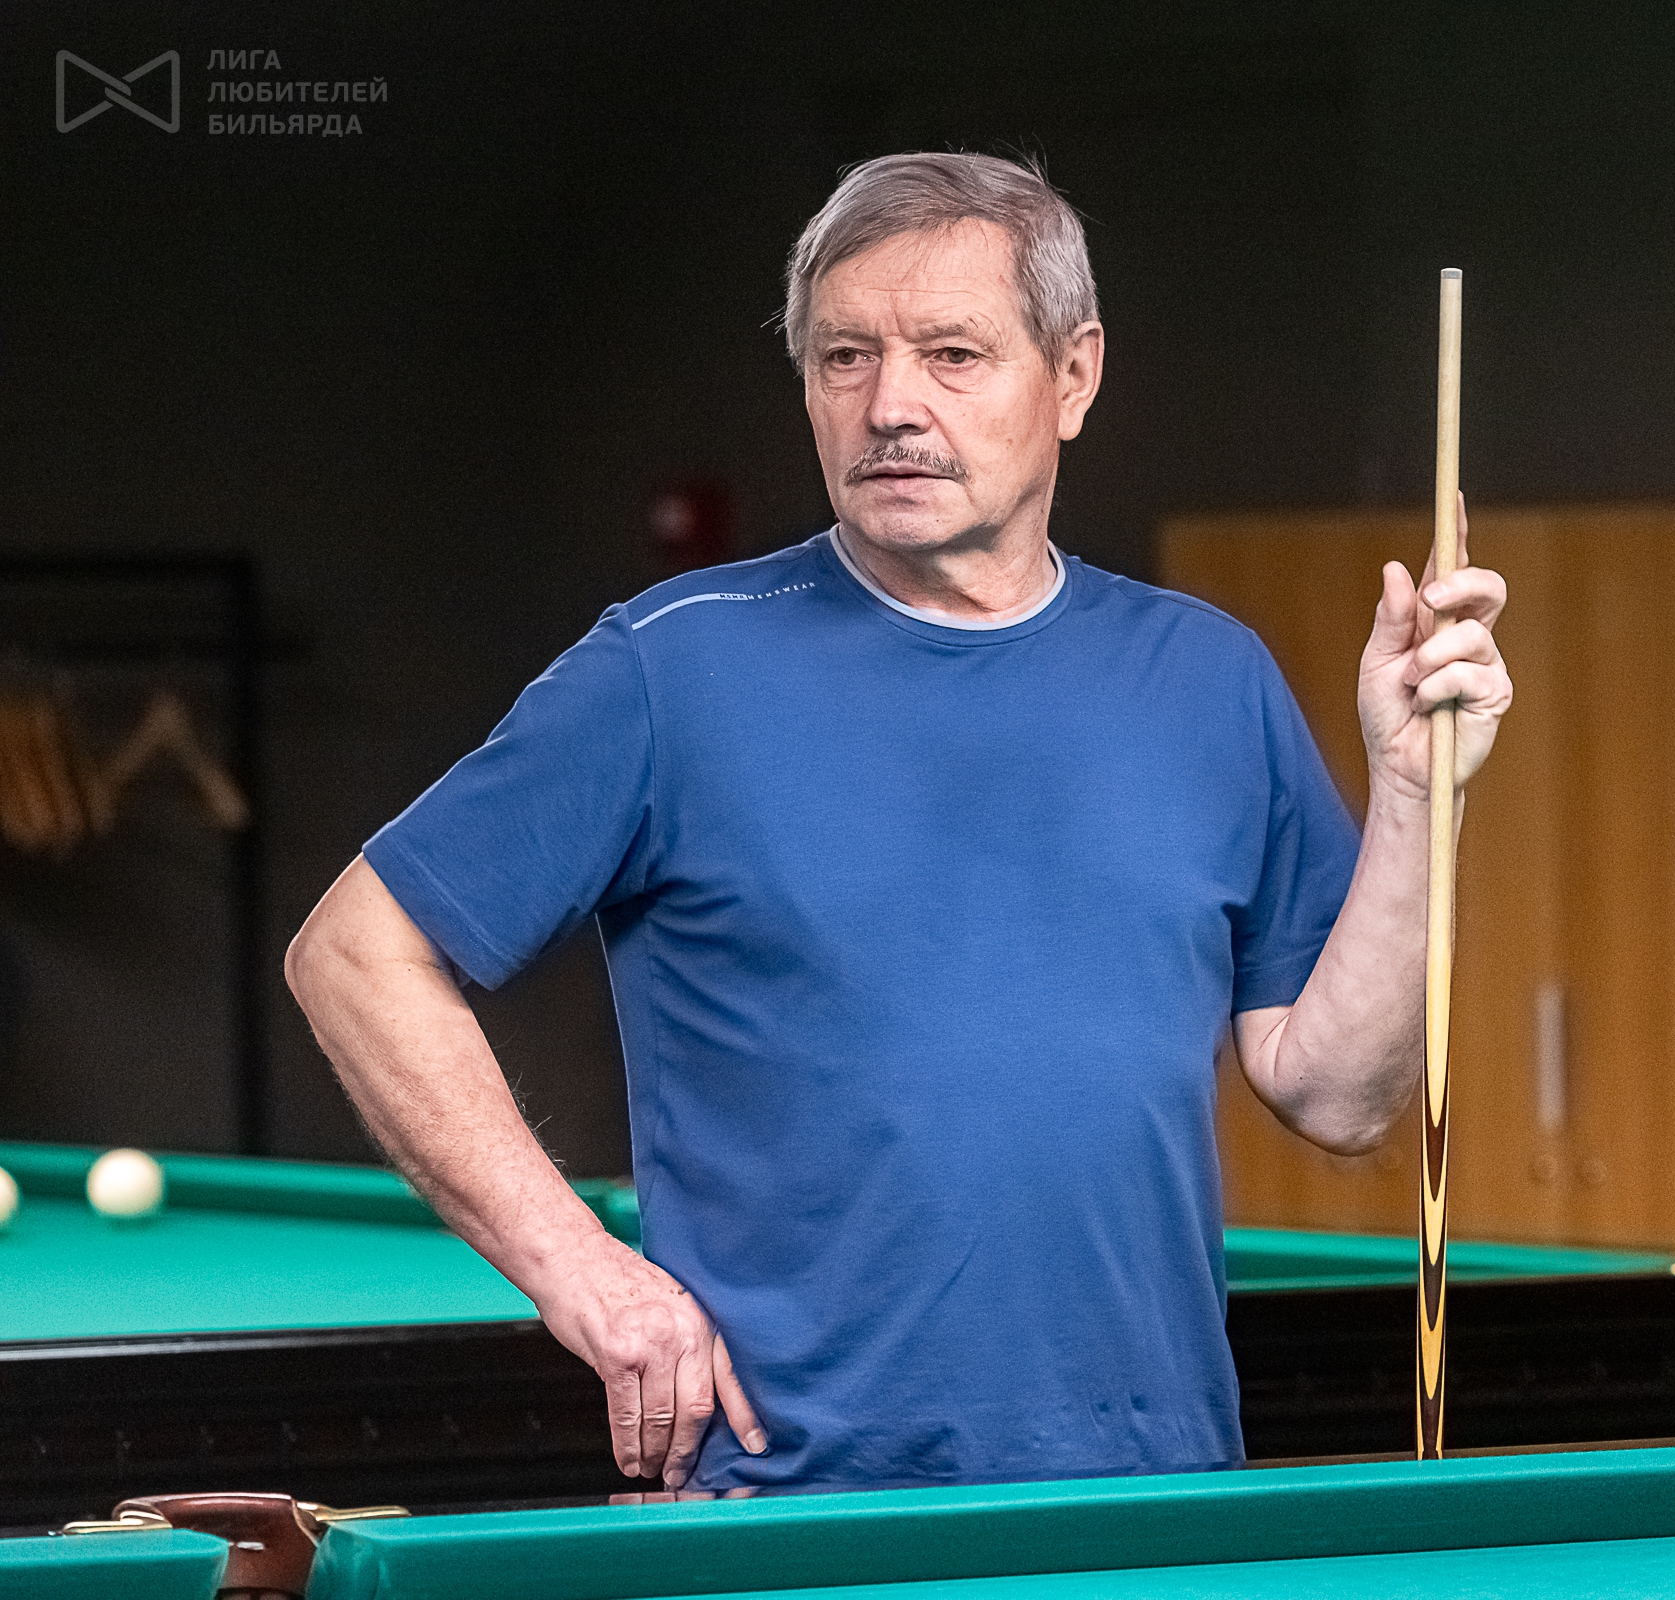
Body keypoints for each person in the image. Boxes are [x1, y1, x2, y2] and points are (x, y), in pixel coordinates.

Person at [284, 152, 1512, 1493]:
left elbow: (1339, 1095)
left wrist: (1414, 797)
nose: (890, 406)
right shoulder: (669, 670)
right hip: (793, 1510)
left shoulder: (1210, 676)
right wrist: (584, 1271)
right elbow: (354, 953)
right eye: (845, 357)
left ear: (1075, 376)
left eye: (951, 355)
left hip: (1152, 1501)